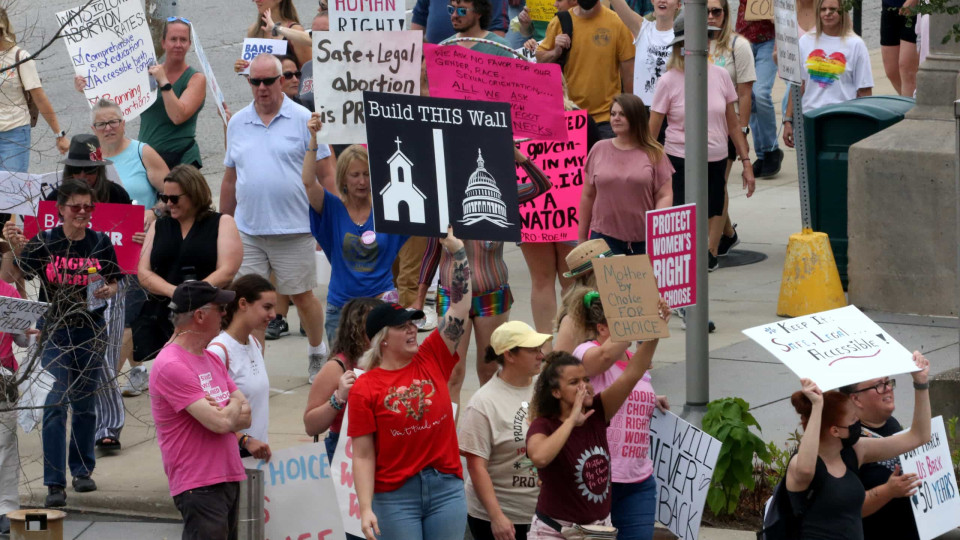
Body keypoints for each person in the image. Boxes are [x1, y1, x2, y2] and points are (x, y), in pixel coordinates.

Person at [1, 180, 121, 508]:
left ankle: (82, 470)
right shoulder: (46, 242)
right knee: (55, 403)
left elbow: (113, 280)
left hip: (90, 331)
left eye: (88, 207)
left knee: (83, 404)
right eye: (75, 207)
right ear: (61, 210)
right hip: (54, 332)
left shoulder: (99, 243)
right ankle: (54, 482)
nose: (82, 212)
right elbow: (12, 277)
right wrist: (14, 250)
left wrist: (109, 290)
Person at [350, 228, 471, 540]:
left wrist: (457, 254)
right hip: (394, 496)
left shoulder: (433, 355)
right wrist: (365, 508)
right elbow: (362, 455)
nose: (413, 330)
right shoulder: (365, 387)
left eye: (413, 324)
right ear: (382, 340)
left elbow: (459, 308)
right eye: (402, 327)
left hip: (446, 486)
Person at [221, 53, 335, 382]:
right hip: (249, 231)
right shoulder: (238, 122)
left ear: (281, 81)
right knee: (248, 303)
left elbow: (326, 173)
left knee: (302, 296)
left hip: (295, 228)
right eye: (255, 82)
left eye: (268, 81)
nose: (261, 88)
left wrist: (332, 218)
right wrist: (224, 223)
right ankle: (253, 364)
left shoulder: (304, 119)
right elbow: (229, 179)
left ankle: (317, 350)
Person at [417, 149, 551, 398]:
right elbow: (430, 254)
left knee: (490, 369)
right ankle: (450, 434)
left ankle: (487, 432)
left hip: (492, 295)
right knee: (452, 372)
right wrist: (418, 298)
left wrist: (516, 154)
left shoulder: (504, 196)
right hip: (452, 295)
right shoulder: (441, 203)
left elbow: (542, 184)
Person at [525, 305, 666, 538]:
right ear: (556, 393)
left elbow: (633, 373)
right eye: (574, 382)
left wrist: (655, 326)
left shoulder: (599, 410)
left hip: (597, 531)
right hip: (556, 531)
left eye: (586, 379)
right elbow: (540, 456)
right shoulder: (544, 425)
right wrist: (571, 421)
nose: (585, 386)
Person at [45, 135, 132, 453]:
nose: (84, 177)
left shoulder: (117, 195)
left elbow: (127, 238)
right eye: (78, 171)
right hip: (64, 285)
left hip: (106, 279)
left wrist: (137, 236)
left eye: (90, 171)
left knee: (103, 352)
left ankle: (105, 425)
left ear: (100, 170)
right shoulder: (55, 197)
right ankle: (93, 420)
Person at [785, 351, 931, 540]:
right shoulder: (802, 463)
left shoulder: (856, 450)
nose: (858, 426)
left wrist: (921, 383)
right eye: (853, 421)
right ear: (835, 431)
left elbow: (919, 436)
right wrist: (817, 406)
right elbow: (805, 470)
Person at [649, 13, 755, 272]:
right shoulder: (668, 81)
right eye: (693, 40)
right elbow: (652, 132)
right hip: (678, 158)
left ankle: (711, 251)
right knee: (681, 210)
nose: (701, 45)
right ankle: (683, 257)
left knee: (715, 204)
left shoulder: (720, 76)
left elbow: (732, 123)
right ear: (679, 46)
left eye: (706, 38)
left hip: (716, 156)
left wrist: (746, 162)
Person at [150, 281, 251, 539]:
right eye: (220, 308)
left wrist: (230, 407)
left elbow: (245, 416)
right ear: (200, 315)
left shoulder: (211, 358)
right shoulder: (171, 364)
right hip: (199, 484)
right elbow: (220, 424)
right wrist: (234, 405)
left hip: (226, 476)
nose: (225, 314)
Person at [86, 97, 170, 398]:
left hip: (137, 247)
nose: (108, 128)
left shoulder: (141, 152)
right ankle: (136, 369)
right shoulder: (89, 160)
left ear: (124, 123)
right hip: (96, 251)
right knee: (100, 310)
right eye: (102, 123)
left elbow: (173, 192)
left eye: (113, 121)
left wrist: (154, 212)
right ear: (93, 128)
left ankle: (103, 385)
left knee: (128, 313)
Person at [570, 291, 669, 540]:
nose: (630, 330)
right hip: (598, 479)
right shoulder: (585, 351)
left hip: (639, 481)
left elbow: (629, 383)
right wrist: (639, 323)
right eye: (622, 324)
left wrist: (649, 399)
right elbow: (603, 360)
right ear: (602, 328)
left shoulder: (635, 360)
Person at [301, 118, 409, 344]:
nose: (362, 181)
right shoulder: (331, 209)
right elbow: (309, 182)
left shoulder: (388, 210)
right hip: (342, 310)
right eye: (355, 175)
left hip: (382, 308)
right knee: (344, 376)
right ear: (343, 179)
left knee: (382, 375)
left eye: (367, 174)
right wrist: (313, 138)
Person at [136, 165, 242, 363]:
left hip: (210, 312)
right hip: (166, 313)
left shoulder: (222, 223)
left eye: (175, 198)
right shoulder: (159, 226)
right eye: (164, 198)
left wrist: (194, 293)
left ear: (194, 194)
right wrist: (176, 293)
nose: (169, 203)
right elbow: (144, 271)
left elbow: (227, 270)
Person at [459, 321, 552, 540]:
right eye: (533, 350)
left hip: (545, 513)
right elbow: (476, 466)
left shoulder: (547, 388)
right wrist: (497, 516)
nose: (541, 355)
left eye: (540, 349)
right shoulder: (483, 404)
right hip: (500, 519)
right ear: (509, 355)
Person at [579, 93, 673, 255]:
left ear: (636, 118)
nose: (616, 118)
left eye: (622, 114)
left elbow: (664, 194)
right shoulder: (598, 149)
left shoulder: (655, 153)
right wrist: (581, 239)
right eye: (613, 114)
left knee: (644, 282)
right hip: (603, 238)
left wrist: (657, 230)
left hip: (644, 240)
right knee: (606, 282)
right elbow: (588, 195)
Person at [536, 0, 635, 138]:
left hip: (606, 120)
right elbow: (539, 61)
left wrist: (632, 117)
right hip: (569, 118)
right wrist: (555, 52)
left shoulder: (617, 23)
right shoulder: (560, 21)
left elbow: (629, 75)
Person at [783, 0, 873, 149]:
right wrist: (788, 120)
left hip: (843, 120)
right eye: (823, 9)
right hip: (810, 118)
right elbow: (798, 86)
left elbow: (864, 91)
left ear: (842, 12)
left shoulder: (856, 45)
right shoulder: (805, 42)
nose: (827, 13)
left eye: (832, 9)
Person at [303, 297, 383, 465]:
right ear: (357, 330)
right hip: (345, 452)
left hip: (384, 447)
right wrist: (338, 398)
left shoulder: (391, 360)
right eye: (374, 325)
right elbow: (311, 426)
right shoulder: (337, 367)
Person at [840, 377, 921, 540]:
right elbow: (845, 508)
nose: (888, 388)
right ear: (856, 399)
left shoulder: (892, 424)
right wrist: (888, 491)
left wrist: (922, 383)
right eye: (878, 386)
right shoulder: (847, 443)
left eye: (888, 382)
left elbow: (921, 436)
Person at [208, 275, 276, 462]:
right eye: (267, 307)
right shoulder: (218, 351)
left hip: (256, 454)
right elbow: (209, 416)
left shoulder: (255, 342)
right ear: (243, 304)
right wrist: (244, 440)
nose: (274, 315)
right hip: (232, 456)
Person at [707, 0, 755, 258]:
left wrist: (743, 132)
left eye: (717, 11)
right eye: (705, 12)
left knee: (717, 184)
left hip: (728, 124)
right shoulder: (689, 43)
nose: (711, 16)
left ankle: (712, 249)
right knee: (709, 185)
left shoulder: (739, 46)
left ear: (726, 14)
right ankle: (727, 233)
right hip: (698, 125)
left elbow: (745, 93)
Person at [0, 7, 69, 171]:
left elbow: (39, 97)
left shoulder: (20, 58)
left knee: (13, 189)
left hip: (14, 132)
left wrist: (59, 135)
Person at [142, 17, 206, 169]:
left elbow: (178, 116)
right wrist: (86, 86)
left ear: (189, 44)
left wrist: (164, 82)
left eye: (183, 40)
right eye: (173, 39)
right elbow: (117, 101)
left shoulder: (196, 79)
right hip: (149, 159)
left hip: (181, 161)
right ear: (163, 42)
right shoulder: (149, 74)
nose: (178, 44)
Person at [0, 276, 38, 533]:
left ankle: (5, 509)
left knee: (5, 445)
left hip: (3, 378)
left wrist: (29, 334)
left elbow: (21, 341)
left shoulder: (8, 292)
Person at [736, 0, 783, 178]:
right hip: (744, 38)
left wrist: (779, 17)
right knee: (751, 97)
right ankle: (763, 154)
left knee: (760, 93)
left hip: (769, 39)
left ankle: (771, 149)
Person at [609, 0, 678, 113]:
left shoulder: (684, 36)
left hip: (672, 111)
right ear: (652, 1)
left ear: (679, 5)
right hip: (643, 110)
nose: (663, 1)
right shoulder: (642, 28)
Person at [553, 241, 614, 353]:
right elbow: (557, 365)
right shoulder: (572, 319)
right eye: (610, 270)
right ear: (594, 277)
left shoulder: (612, 304)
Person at [244, 1, 312, 69]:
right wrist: (244, 68)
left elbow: (309, 72)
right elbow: (254, 75)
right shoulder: (254, 31)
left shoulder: (295, 30)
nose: (255, 0)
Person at [412, 0, 509, 44]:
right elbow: (419, 16)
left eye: (461, 10)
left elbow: (498, 25)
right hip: (435, 57)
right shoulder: (444, 43)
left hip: (475, 62)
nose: (454, 15)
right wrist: (415, 51)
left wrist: (491, 57)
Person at [444, 0, 514, 56]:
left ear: (478, 12)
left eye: (462, 11)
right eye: (451, 9)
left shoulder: (501, 48)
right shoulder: (443, 47)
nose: (454, 15)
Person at [880, 0, 919, 96]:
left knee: (908, 70)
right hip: (890, 5)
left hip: (916, 9)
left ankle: (910, 108)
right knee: (892, 70)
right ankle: (912, 101)